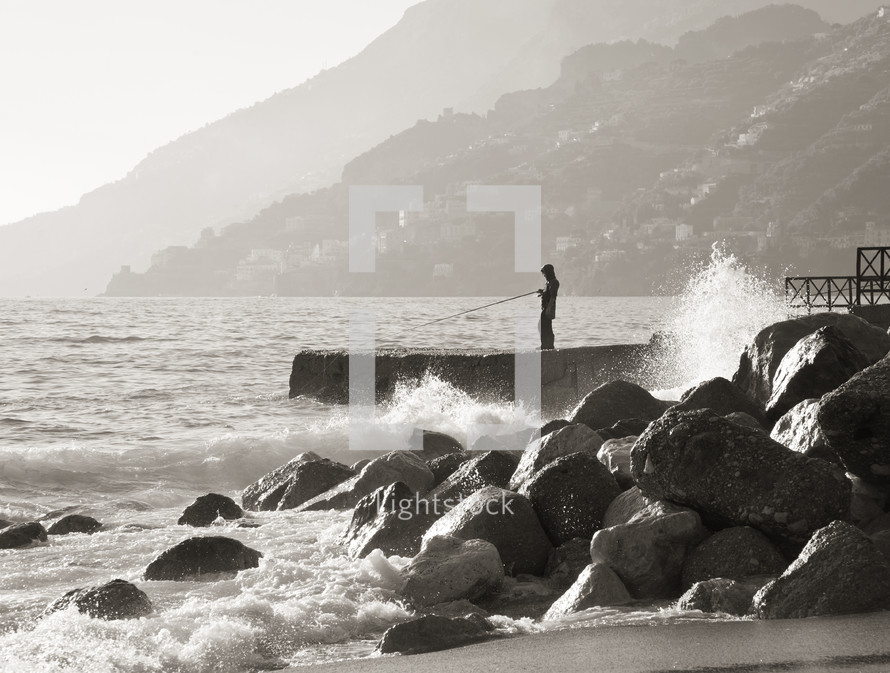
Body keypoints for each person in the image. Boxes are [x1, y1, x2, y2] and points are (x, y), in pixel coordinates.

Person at [537, 263, 559, 350]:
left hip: (548, 308)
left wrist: (549, 308)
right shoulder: (548, 283)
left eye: (544, 273)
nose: (544, 275)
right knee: (543, 326)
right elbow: (547, 293)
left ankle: (548, 346)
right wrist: (542, 291)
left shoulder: (554, 282)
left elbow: (553, 296)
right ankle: (545, 345)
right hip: (545, 307)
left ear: (549, 272)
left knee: (546, 327)